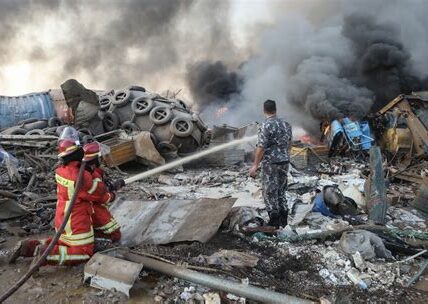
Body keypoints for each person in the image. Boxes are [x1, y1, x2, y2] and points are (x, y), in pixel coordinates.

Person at [9, 128, 115, 265]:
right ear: (77, 153)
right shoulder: (82, 177)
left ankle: (28, 247)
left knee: (63, 242)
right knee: (84, 252)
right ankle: (45, 255)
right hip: (77, 221)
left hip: (62, 218)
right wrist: (98, 176)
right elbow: (99, 193)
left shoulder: (62, 171)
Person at [249, 100, 292, 228]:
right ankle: (284, 220)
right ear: (275, 109)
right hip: (284, 161)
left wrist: (255, 165)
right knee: (281, 190)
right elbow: (290, 143)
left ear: (264, 110)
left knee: (269, 191)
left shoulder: (266, 125)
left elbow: (261, 147)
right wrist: (285, 155)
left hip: (271, 163)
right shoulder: (286, 124)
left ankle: (274, 222)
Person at [82, 141, 123, 243]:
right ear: (94, 160)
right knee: (115, 235)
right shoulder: (87, 176)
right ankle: (97, 241)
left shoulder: (91, 171)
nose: (102, 160)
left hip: (90, 208)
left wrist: (110, 186)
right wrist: (113, 194)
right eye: (99, 158)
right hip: (92, 209)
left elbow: (100, 188)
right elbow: (101, 197)